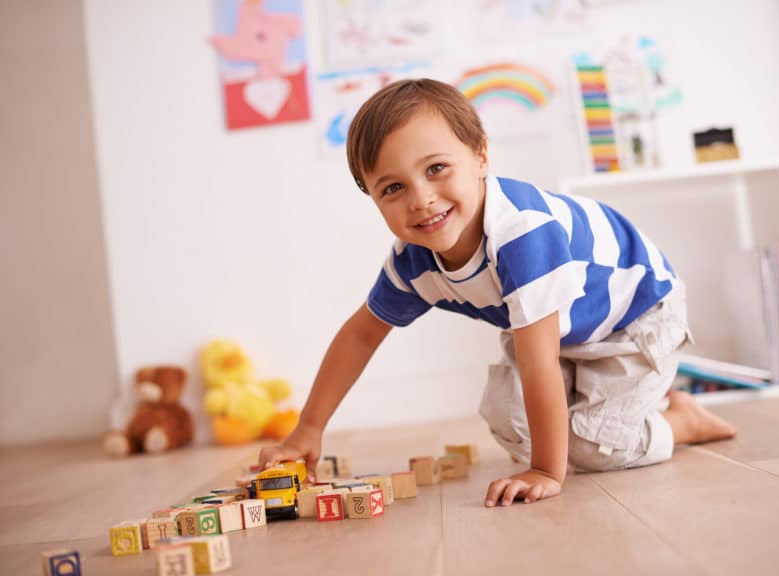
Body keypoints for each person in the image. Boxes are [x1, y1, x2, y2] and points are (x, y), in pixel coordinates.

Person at [258, 78, 736, 507]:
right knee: (512, 421)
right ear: (373, 199)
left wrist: (547, 472)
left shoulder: (522, 234)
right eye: (392, 188)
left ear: (481, 156)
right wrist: (309, 428)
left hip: (635, 315)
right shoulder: (412, 261)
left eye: (437, 169)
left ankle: (683, 421)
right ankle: (608, 411)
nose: (421, 199)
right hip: (558, 327)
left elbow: (537, 362)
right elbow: (362, 335)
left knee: (589, 450)